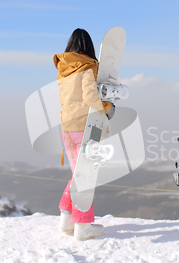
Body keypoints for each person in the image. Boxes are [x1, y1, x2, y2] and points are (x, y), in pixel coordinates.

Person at [53, 28, 112, 241]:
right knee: (85, 177)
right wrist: (106, 107)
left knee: (79, 175)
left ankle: (66, 218)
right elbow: (89, 96)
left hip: (67, 128)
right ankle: (83, 226)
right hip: (85, 126)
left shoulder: (64, 69)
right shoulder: (87, 66)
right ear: (89, 47)